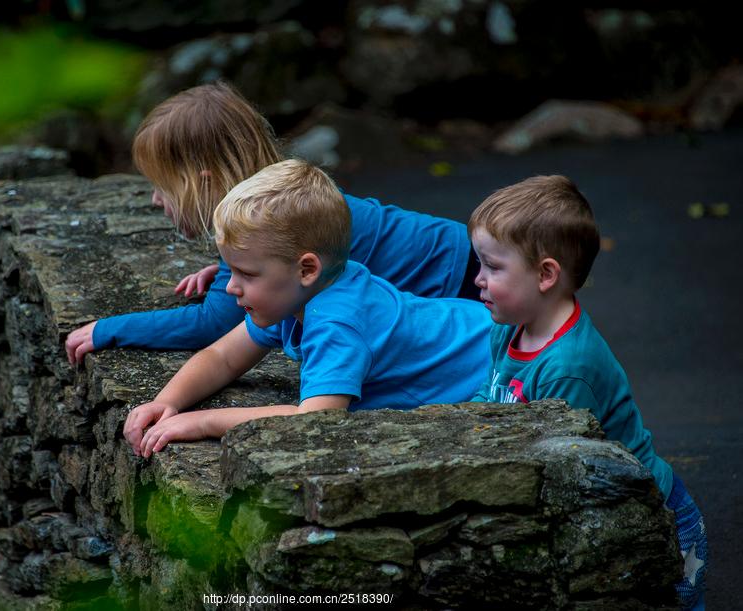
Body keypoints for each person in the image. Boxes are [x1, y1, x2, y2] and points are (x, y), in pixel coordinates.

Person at [65, 81, 478, 363]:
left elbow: (212, 326)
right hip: (456, 252)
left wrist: (110, 329)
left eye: (162, 186)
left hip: (464, 279)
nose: (156, 199)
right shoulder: (274, 208)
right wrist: (237, 271)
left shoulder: (272, 218)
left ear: (204, 181)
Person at [123, 159, 491, 458]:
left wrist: (200, 422)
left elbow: (316, 418)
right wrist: (166, 403)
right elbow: (222, 356)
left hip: (493, 356)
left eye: (245, 273)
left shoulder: (336, 321)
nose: (231, 286)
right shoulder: (299, 295)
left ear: (307, 269)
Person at [468, 175, 707, 610]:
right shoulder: (509, 330)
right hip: (597, 497)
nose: (478, 279)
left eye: (493, 266)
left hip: (652, 513)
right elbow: (489, 397)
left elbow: (562, 472)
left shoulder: (568, 369)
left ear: (545, 275)